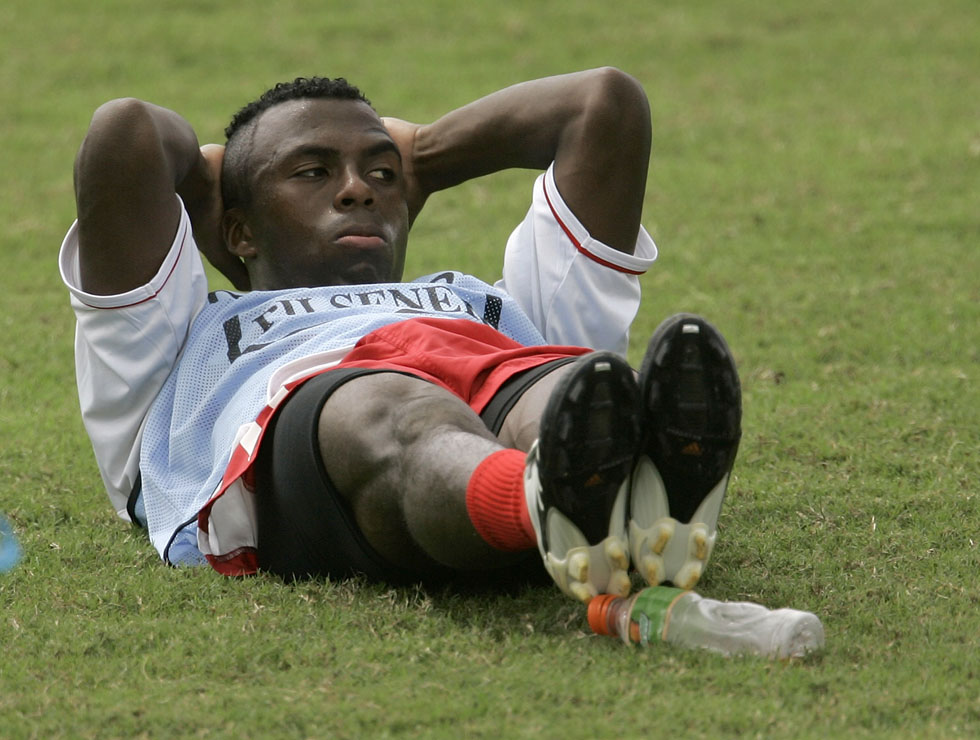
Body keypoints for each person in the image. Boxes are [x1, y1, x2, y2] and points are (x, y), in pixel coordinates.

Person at [60, 68, 741, 603]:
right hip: (317, 426)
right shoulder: (179, 334)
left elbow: (603, 103)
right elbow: (126, 134)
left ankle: (622, 485)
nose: (359, 189)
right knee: (395, 405)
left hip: (489, 374)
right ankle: (555, 498)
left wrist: (430, 157)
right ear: (239, 229)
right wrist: (208, 184)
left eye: (383, 174)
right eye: (313, 172)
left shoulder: (486, 303)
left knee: (566, 385)